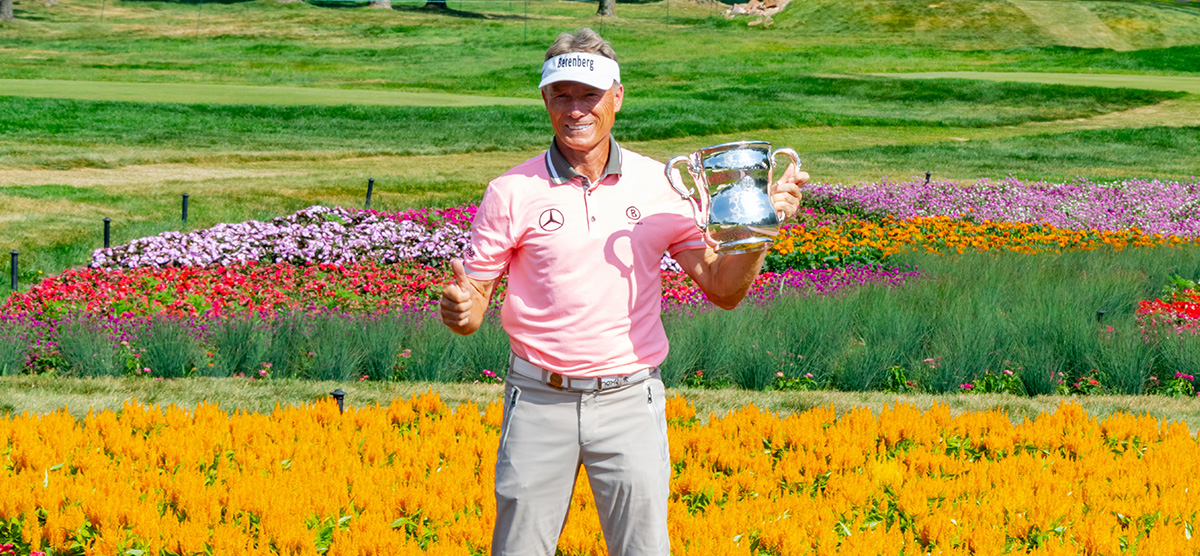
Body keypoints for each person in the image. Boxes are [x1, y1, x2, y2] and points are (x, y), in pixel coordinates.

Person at [439, 28, 807, 556]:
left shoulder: (660, 183)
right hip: (539, 399)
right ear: (544, 99)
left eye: (589, 95)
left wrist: (757, 229)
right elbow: (471, 308)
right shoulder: (510, 191)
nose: (575, 110)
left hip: (630, 401)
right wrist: (459, 308)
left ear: (617, 97)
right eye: (561, 95)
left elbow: (723, 289)